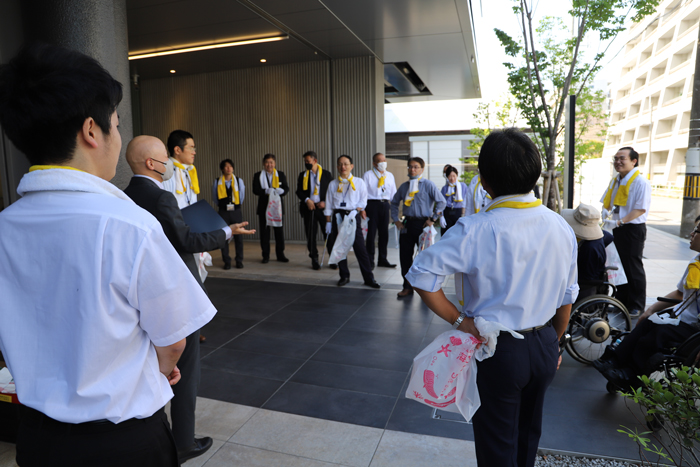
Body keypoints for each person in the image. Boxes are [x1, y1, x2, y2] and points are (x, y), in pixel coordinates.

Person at [0, 43, 216, 467]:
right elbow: (173, 341)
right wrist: (155, 368)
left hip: (38, 440)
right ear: (91, 131)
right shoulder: (128, 224)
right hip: (123, 443)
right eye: (116, 124)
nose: (118, 137)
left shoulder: (6, 225)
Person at [405, 128, 578, 467]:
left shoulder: (476, 228)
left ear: (483, 181)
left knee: (497, 447)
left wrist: (460, 321)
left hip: (497, 349)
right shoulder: (560, 226)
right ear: (535, 173)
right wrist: (550, 343)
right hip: (544, 341)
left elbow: (422, 276)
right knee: (528, 437)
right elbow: (567, 296)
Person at [124, 136, 255, 464]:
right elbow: (187, 241)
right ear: (152, 164)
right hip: (172, 294)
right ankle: (183, 441)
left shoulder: (123, 197)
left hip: (137, 295)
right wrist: (227, 232)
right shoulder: (161, 197)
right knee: (186, 368)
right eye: (166, 158)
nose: (169, 163)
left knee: (146, 367)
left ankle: (151, 435)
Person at [594, 216, 700, 389]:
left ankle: (631, 373)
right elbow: (681, 294)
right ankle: (614, 361)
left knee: (659, 332)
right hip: (682, 316)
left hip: (695, 328)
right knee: (646, 322)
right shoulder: (696, 262)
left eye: (696, 231)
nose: (691, 233)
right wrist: (650, 310)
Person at [600, 146, 651, 317]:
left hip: (631, 228)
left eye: (622, 158)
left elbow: (640, 209)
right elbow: (607, 202)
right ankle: (622, 302)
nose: (618, 162)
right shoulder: (616, 180)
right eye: (616, 158)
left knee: (632, 266)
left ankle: (636, 305)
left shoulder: (640, 182)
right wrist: (606, 214)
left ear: (634, 161)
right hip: (616, 226)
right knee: (618, 265)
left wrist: (620, 221)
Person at [390, 157, 446, 298]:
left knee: (424, 257)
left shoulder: (428, 185)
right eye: (410, 167)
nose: (412, 169)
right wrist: (396, 220)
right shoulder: (404, 186)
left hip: (423, 225)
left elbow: (441, 202)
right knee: (405, 257)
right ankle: (407, 286)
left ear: (422, 169)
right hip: (407, 224)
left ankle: (425, 288)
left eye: (415, 167)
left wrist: (433, 219)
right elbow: (394, 203)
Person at [324, 155, 381, 288]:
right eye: (340, 164)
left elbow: (363, 199)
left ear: (351, 166)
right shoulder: (333, 184)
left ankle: (369, 278)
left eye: (346, 164)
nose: (343, 167)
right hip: (338, 216)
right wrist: (327, 222)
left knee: (360, 248)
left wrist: (357, 210)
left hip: (352, 216)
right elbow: (328, 204)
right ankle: (344, 276)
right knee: (341, 247)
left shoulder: (359, 182)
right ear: (337, 167)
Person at [561, 203, 614, 300]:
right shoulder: (599, 238)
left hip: (585, 285)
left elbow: (583, 275)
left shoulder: (589, 248)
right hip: (593, 277)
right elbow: (609, 237)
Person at [296, 150, 333, 270]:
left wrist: (325, 202)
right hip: (309, 208)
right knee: (311, 235)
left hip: (323, 209)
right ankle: (314, 259)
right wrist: (307, 200)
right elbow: (299, 191)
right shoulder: (303, 175)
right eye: (305, 161)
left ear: (315, 161)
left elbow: (331, 192)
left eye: (308, 161)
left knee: (328, 234)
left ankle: (333, 259)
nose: (306, 163)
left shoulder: (326, 174)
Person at [253, 153, 290, 263]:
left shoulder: (280, 174)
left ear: (275, 163)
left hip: (277, 207)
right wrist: (265, 191)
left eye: (271, 162)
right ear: (264, 164)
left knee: (279, 232)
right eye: (267, 162)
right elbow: (255, 190)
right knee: (264, 233)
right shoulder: (258, 175)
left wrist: (282, 191)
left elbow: (286, 188)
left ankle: (280, 254)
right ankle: (265, 255)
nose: (269, 164)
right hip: (264, 207)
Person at [362, 152, 397, 269]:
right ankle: (369, 260)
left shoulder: (390, 175)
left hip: (385, 205)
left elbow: (393, 194)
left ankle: (383, 259)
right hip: (372, 205)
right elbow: (363, 193)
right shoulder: (368, 175)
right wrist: (362, 209)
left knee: (384, 233)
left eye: (384, 160)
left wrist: (395, 208)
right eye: (380, 161)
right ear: (374, 163)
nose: (383, 163)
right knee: (371, 234)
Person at [212, 159, 246, 269]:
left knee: (239, 237)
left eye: (230, 166)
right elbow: (215, 198)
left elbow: (241, 196)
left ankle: (239, 260)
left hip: (236, 211)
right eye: (226, 166)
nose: (229, 168)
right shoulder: (217, 181)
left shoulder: (238, 181)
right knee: (224, 237)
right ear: (222, 169)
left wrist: (235, 205)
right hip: (223, 212)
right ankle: (226, 260)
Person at [163, 129, 199, 209]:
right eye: (191, 148)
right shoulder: (166, 171)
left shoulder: (190, 171)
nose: (194, 152)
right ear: (177, 150)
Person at [440, 166, 469, 234]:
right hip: (447, 212)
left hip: (458, 212)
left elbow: (466, 200)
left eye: (454, 175)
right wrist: (441, 216)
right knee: (446, 234)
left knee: (458, 234)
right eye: (450, 176)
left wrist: (464, 214)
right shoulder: (445, 188)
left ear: (457, 175)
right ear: (447, 177)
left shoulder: (462, 186)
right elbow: (441, 203)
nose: (452, 178)